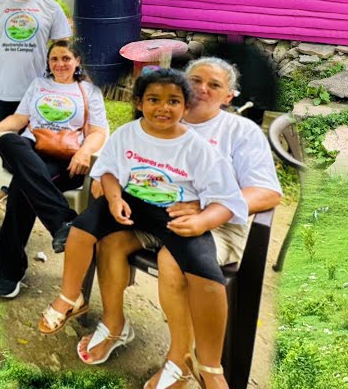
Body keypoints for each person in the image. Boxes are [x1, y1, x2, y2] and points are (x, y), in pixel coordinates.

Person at [80, 58, 283, 389]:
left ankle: (181, 361)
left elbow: (267, 193)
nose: (203, 89)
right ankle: (115, 324)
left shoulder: (239, 132)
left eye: (214, 85)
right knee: (110, 241)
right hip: (152, 216)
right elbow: (119, 164)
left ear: (229, 96)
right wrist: (111, 182)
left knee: (173, 261)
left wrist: (206, 207)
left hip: (217, 226)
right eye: (195, 81)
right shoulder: (158, 120)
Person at [38, 68, 247, 389]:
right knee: (83, 226)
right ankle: (70, 297)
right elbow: (106, 172)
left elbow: (227, 200)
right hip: (132, 207)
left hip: (176, 216)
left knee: (206, 273)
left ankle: (210, 365)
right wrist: (113, 196)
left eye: (173, 101)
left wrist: (203, 219)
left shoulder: (197, 148)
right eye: (154, 100)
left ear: (185, 106)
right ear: (138, 102)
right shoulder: (127, 134)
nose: (163, 108)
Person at [0, 40, 109, 298]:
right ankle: (62, 220)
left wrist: (85, 151)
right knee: (9, 139)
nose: (60, 64)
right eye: (54, 59)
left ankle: (9, 271)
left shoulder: (89, 91)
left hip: (64, 159)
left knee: (21, 188)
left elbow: (98, 131)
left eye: (65, 58)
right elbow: (20, 119)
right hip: (29, 151)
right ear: (48, 63)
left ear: (77, 62)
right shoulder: (38, 85)